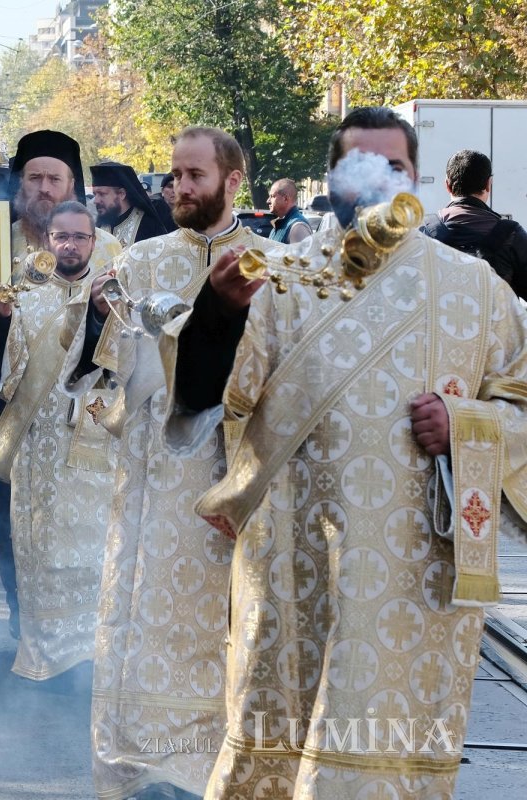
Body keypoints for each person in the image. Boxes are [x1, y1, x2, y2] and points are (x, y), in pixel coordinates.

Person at [165, 106, 527, 798]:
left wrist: (468, 424)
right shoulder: (277, 275)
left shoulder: (475, 288)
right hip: (290, 563)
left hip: (413, 578)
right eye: (358, 163)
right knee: (280, 742)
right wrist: (217, 313)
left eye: (394, 166)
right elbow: (207, 403)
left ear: (416, 176)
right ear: (329, 177)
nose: (377, 179)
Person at [66, 127, 283, 800]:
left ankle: (231, 767)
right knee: (150, 624)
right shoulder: (137, 263)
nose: (180, 187)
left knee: (238, 629)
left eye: (195, 175)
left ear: (233, 181)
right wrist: (101, 319)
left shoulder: (277, 266)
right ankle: (151, 768)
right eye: (174, 176)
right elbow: (93, 384)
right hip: (155, 487)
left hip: (243, 486)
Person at [0, 200, 117, 686]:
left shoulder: (115, 295)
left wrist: (100, 317)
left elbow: (126, 364)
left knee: (95, 551)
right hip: (37, 448)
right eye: (61, 237)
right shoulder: (22, 296)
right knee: (40, 552)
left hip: (98, 444)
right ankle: (44, 656)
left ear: (94, 242)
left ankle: (93, 656)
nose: (70, 245)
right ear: (46, 242)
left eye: (80, 237)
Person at [8, 130, 121, 278]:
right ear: (21, 183)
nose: (44, 189)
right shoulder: (3, 242)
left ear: (71, 185)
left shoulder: (107, 246)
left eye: (55, 179)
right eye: (35, 178)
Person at [422, 148, 527, 300]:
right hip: (494, 324)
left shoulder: (423, 230)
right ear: (488, 184)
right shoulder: (511, 234)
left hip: (436, 323)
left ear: (447, 185)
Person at [90, 161, 177, 248]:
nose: (96, 200)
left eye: (102, 194)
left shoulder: (148, 226)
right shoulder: (99, 226)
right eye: (95, 194)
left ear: (121, 194)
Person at [267, 177, 312, 244]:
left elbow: (303, 254)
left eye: (272, 196)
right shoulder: (279, 225)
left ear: (285, 199)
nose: (268, 201)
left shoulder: (298, 227)